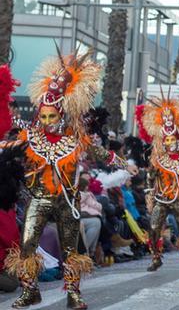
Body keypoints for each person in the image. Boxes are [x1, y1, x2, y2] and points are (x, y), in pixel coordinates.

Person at [0, 53, 135, 309]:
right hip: (38, 200)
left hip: (67, 202)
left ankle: (73, 294)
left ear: (61, 116)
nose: (48, 122)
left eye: (52, 117)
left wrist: (123, 164)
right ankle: (30, 291)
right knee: (27, 247)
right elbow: (7, 144)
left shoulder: (75, 139)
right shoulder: (31, 137)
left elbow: (101, 154)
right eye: (44, 117)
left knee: (71, 250)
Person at [137, 95, 179, 274]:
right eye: (167, 141)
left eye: (173, 140)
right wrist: (149, 195)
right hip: (161, 198)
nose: (170, 143)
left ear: (178, 140)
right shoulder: (157, 159)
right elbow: (150, 177)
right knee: (153, 227)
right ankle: (156, 258)